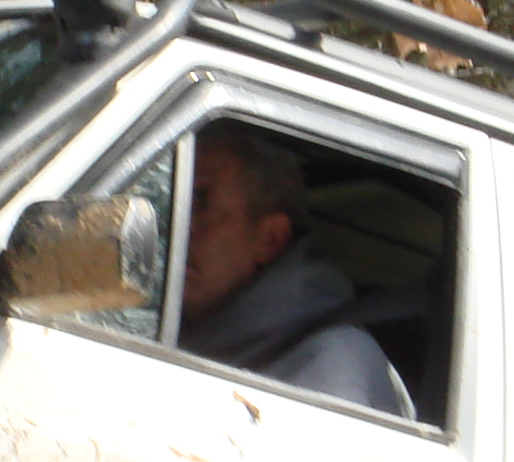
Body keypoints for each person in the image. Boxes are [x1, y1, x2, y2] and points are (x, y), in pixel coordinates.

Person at [175, 125, 413, 417]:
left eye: (200, 204)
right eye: (172, 197)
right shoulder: (193, 331)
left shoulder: (332, 364)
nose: (172, 223)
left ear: (269, 239)